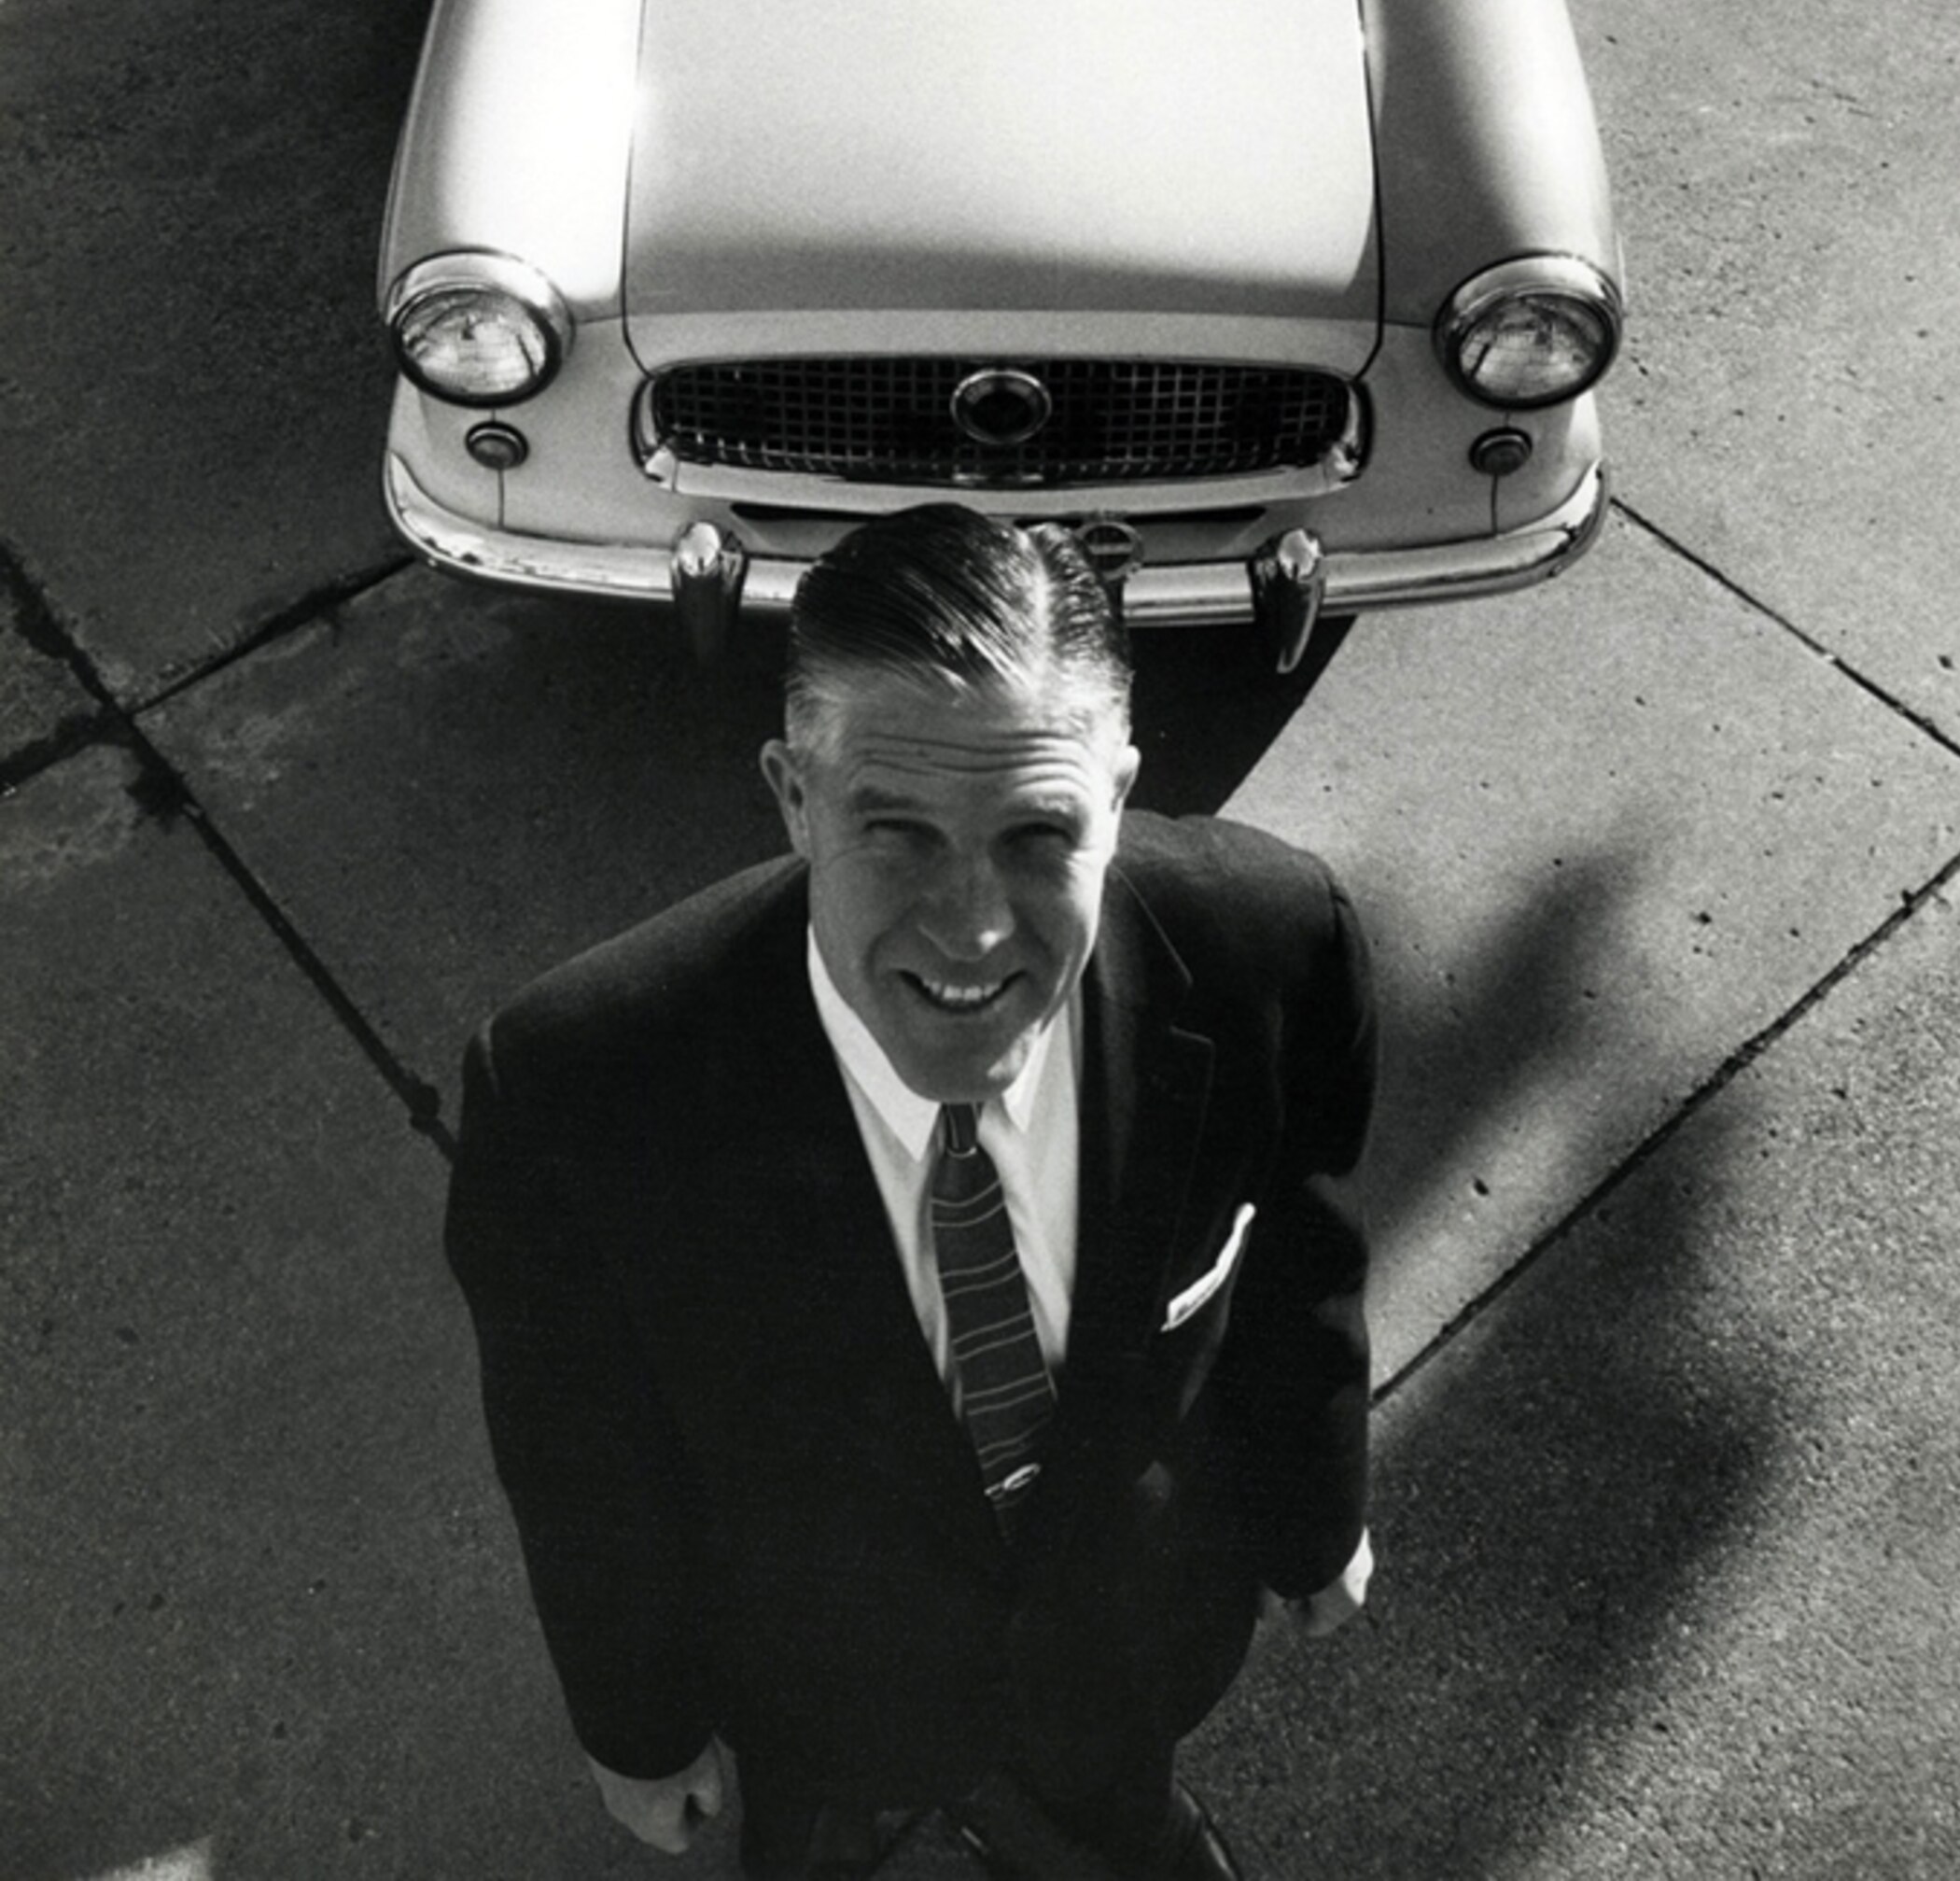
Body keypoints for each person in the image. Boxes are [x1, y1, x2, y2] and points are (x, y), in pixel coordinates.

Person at [445, 505, 1377, 1881]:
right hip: (816, 1695)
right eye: (897, 834)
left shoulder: (1267, 949)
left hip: (1128, 1643)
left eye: (1034, 835)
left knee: (1107, 1798)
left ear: (1118, 793)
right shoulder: (580, 1095)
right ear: (791, 795)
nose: (973, 927)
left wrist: (1317, 1516)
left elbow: (1301, 1258)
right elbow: (581, 1462)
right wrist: (639, 1728)